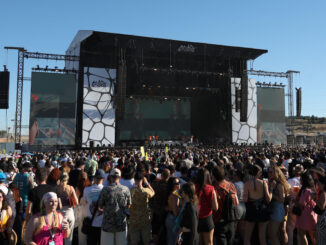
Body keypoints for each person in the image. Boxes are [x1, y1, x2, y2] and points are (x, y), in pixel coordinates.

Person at [98, 168, 131, 245]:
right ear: (120, 177)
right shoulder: (126, 189)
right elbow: (129, 206)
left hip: (107, 224)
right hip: (121, 224)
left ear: (110, 177)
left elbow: (100, 205)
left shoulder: (105, 189)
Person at [243, 164, 271, 245]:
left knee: (247, 237)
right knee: (262, 236)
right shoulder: (263, 183)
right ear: (258, 172)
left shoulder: (247, 184)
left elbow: (245, 199)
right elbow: (268, 199)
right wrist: (271, 191)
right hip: (262, 208)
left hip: (251, 208)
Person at [212, 165, 238, 245]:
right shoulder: (231, 185)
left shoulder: (214, 188)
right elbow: (236, 202)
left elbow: (214, 207)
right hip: (231, 219)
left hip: (218, 219)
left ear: (214, 176)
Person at [129, 171, 155, 245]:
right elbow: (153, 192)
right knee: (146, 241)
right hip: (145, 219)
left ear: (134, 179)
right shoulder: (146, 191)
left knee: (134, 242)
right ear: (142, 179)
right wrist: (147, 183)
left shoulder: (131, 191)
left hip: (134, 219)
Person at [267, 165, 290, 245]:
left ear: (276, 173)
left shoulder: (279, 185)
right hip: (273, 210)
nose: (269, 173)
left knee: (272, 234)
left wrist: (272, 192)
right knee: (275, 234)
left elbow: (281, 199)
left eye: (271, 172)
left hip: (277, 210)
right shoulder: (271, 182)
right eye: (268, 171)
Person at [195, 168, 218, 245]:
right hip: (207, 218)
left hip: (196, 218)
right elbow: (215, 207)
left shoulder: (193, 187)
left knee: (198, 242)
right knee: (209, 242)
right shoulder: (211, 189)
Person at [83, 169, 105, 245]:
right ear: (103, 179)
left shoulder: (86, 189)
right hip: (102, 223)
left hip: (90, 222)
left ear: (94, 178)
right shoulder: (106, 190)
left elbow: (85, 202)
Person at [295, 171, 318, 245]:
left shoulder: (305, 191)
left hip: (304, 215)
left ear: (304, 180)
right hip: (312, 214)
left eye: (301, 179)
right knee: (313, 236)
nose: (300, 180)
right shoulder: (312, 189)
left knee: (302, 234)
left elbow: (302, 204)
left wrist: (294, 201)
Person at [56, 171, 78, 245]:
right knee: (69, 237)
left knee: (58, 235)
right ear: (67, 179)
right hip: (69, 212)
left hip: (59, 214)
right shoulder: (71, 188)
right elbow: (76, 202)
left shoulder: (56, 188)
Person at [165, 176, 181, 245]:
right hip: (173, 219)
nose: (179, 184)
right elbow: (175, 212)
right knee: (174, 241)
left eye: (179, 182)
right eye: (177, 183)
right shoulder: (174, 196)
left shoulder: (174, 193)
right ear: (172, 185)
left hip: (170, 218)